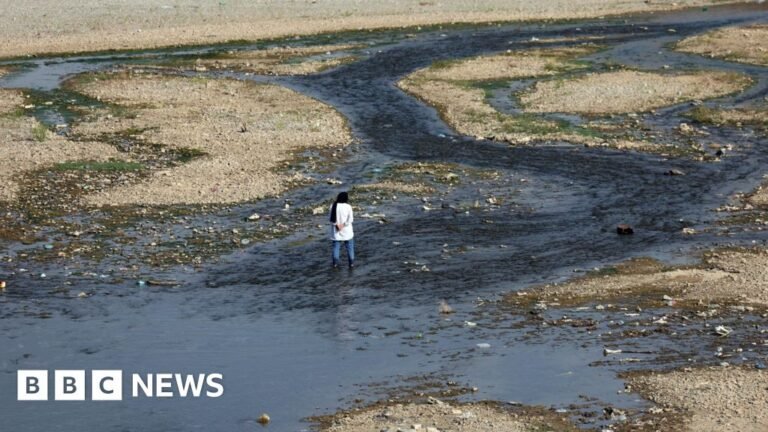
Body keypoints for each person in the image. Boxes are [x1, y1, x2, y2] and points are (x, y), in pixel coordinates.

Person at [329, 191, 354, 268]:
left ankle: (335, 264)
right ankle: (351, 264)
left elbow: (330, 219)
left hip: (336, 231)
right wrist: (343, 225)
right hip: (347, 231)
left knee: (336, 248)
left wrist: (336, 225)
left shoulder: (332, 205)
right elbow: (351, 219)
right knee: (350, 248)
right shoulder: (348, 207)